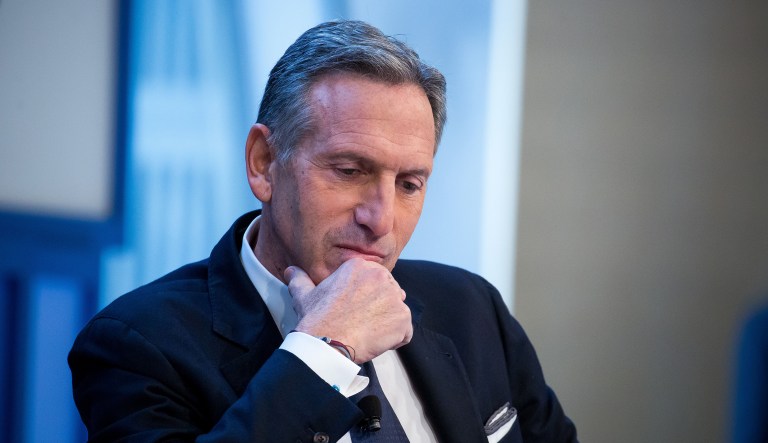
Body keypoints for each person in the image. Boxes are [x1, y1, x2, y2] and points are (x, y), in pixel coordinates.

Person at [69, 20, 578, 443]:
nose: (381, 219)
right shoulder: (137, 346)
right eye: (350, 170)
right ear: (264, 163)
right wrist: (324, 352)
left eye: (408, 183)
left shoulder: (471, 308)